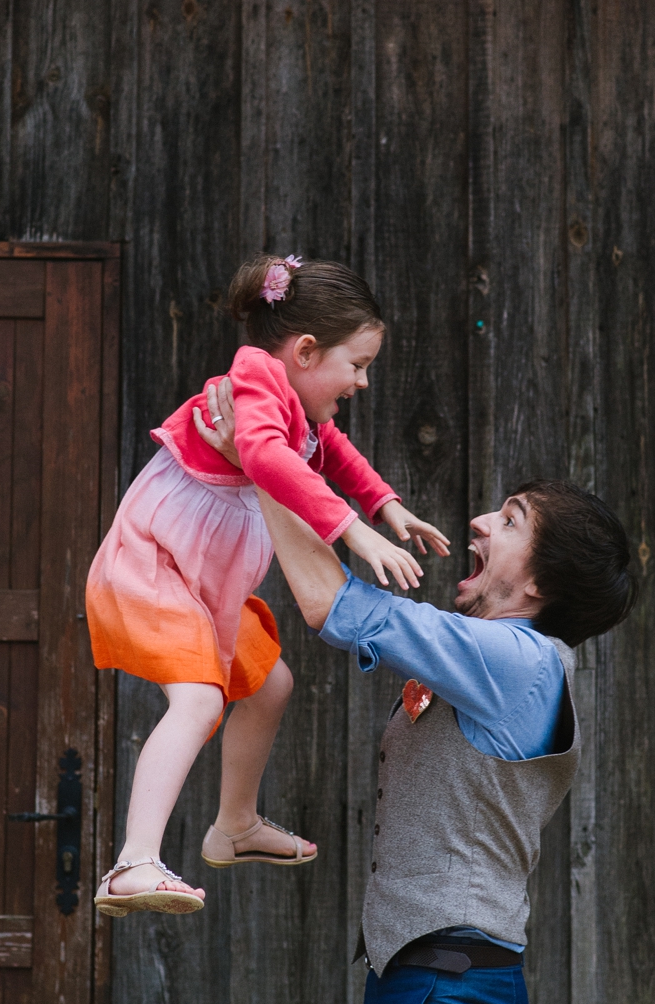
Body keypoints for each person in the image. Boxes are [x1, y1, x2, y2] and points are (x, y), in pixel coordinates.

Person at [196, 388, 636, 1004]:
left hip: (448, 995)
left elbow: (334, 603)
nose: (479, 523)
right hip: (418, 984)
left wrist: (261, 463)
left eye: (509, 521)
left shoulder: (518, 660)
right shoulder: (489, 659)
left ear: (537, 585)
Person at [88, 254, 449, 916]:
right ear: (306, 350)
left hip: (207, 579)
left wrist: (385, 505)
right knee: (198, 703)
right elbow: (263, 455)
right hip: (159, 564)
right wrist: (353, 532)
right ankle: (132, 861)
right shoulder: (255, 375)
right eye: (358, 364)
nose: (363, 381)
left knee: (270, 685)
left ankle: (234, 824)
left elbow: (331, 450)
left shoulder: (294, 402)